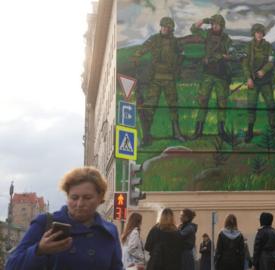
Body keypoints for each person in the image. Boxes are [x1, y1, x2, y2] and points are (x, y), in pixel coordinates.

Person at [6, 167, 123, 270]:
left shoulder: (109, 231)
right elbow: (12, 266)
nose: (80, 204)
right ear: (67, 197)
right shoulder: (45, 223)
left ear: (100, 198)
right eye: (74, 198)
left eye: (87, 197)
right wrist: (39, 250)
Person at [131, 16, 186, 145]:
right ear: (160, 27)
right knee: (150, 106)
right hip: (155, 78)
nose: (165, 29)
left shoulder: (175, 42)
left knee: (173, 105)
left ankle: (177, 133)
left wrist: (177, 67)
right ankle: (146, 136)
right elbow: (143, 48)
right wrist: (136, 56)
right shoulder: (154, 39)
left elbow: (182, 54)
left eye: (167, 27)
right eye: (163, 27)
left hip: (169, 78)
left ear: (171, 29)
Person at [190, 14, 232, 141]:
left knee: (222, 103)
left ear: (222, 26)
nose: (215, 26)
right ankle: (198, 131)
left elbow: (231, 54)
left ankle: (221, 131)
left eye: (217, 24)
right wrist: (204, 20)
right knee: (203, 102)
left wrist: (224, 56)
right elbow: (193, 29)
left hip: (221, 74)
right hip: (207, 74)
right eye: (213, 24)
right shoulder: (207, 35)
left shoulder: (226, 39)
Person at [242, 23, 275, 142]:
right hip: (253, 81)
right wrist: (248, 78)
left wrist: (263, 70)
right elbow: (245, 63)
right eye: (257, 32)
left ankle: (273, 131)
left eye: (261, 32)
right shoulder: (249, 46)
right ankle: (250, 132)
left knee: (271, 105)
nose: (259, 34)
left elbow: (271, 62)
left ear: (263, 34)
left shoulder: (268, 46)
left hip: (266, 81)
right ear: (254, 33)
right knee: (251, 106)